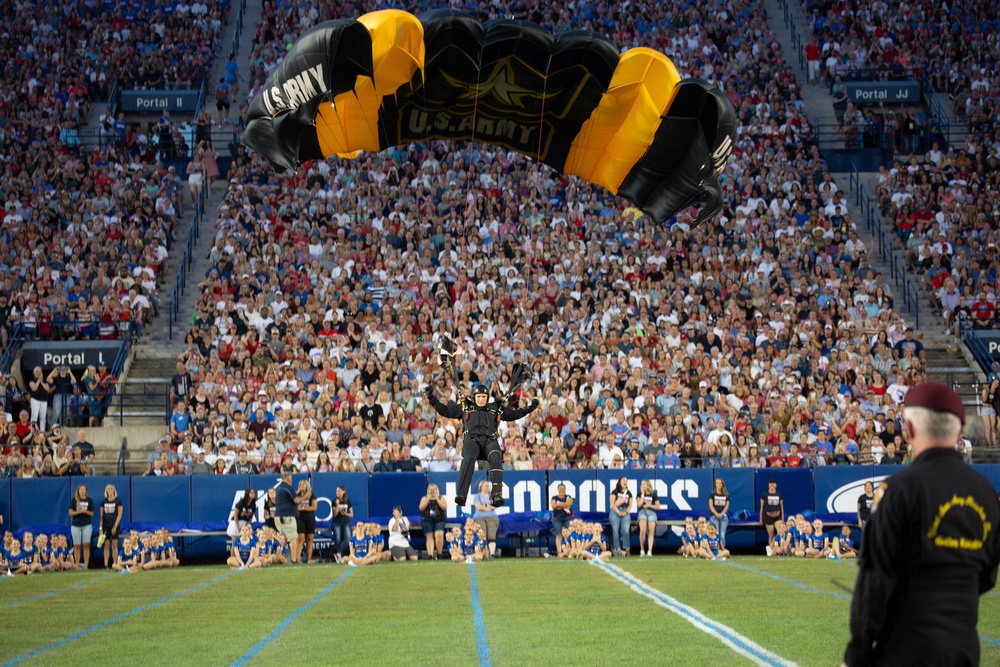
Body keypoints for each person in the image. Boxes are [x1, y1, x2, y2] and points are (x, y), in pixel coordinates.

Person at [843, 382, 1000, 667]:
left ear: (911, 430)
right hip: (964, 649)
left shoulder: (897, 492)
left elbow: (874, 582)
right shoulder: (986, 495)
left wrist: (856, 656)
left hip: (907, 649)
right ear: (959, 431)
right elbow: (987, 576)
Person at [425, 382, 538, 506]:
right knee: (468, 459)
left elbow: (514, 414)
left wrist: (531, 407)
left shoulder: (495, 407)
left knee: (496, 457)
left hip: (490, 440)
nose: (481, 399)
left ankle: (496, 494)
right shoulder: (465, 407)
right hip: (472, 441)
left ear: (487, 398)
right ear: (474, 397)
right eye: (478, 397)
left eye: (483, 397)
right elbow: (445, 411)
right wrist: (431, 398)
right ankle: (462, 494)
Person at [273, 471, 299, 557]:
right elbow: (296, 500)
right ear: (288, 478)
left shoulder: (279, 488)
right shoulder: (287, 487)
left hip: (278, 516)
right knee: (293, 538)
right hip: (287, 516)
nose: (292, 480)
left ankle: (279, 557)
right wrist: (306, 495)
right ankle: (294, 559)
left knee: (283, 538)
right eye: (291, 478)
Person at [68, 483, 94, 569]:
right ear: (78, 491)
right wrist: (80, 511)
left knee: (86, 545)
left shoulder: (89, 500)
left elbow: (91, 513)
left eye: (84, 490)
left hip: (86, 524)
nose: (82, 491)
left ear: (86, 491)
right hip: (76, 525)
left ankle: (86, 565)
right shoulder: (74, 500)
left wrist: (85, 511)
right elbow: (71, 512)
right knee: (77, 545)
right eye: (81, 490)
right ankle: (77, 564)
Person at [418, 483, 447, 559]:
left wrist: (437, 499)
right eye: (431, 489)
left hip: (439, 519)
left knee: (439, 535)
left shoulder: (441, 498)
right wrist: (428, 499)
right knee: (429, 536)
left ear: (437, 490)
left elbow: (444, 507)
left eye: (434, 489)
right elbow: (421, 508)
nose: (432, 491)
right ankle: (430, 555)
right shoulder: (424, 498)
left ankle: (439, 554)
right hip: (427, 519)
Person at [472, 480, 500, 558]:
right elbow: (478, 506)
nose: (487, 487)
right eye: (485, 485)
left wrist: (485, 506)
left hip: (492, 517)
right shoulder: (477, 496)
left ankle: (492, 553)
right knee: (482, 534)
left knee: (491, 535)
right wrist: (487, 507)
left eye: (488, 486)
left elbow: (495, 505)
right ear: (481, 487)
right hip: (479, 518)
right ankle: (482, 553)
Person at [99, 484, 123, 569]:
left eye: (111, 489)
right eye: (108, 489)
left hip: (114, 525)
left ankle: (115, 563)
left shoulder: (118, 501)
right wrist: (101, 528)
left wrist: (115, 526)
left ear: (114, 490)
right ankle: (105, 564)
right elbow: (101, 516)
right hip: (106, 525)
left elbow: (119, 515)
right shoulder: (104, 502)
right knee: (106, 544)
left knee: (114, 544)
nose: (109, 490)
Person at [608, 476, 633, 557]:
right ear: (619, 482)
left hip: (625, 511)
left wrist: (626, 512)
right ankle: (618, 549)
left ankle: (627, 548)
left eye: (626, 480)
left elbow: (630, 505)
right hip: (615, 511)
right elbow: (612, 502)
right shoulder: (615, 491)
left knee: (625, 530)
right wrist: (618, 511)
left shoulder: (629, 493)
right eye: (623, 480)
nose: (625, 481)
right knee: (615, 531)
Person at [294, 480, 317, 564]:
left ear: (307, 485)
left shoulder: (311, 495)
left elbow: (314, 507)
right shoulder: (296, 495)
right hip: (300, 518)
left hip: (310, 518)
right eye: (300, 484)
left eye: (303, 484)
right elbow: (293, 505)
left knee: (309, 538)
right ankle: (297, 559)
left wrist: (303, 508)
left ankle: (309, 559)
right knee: (300, 537)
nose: (301, 485)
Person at [635, 479, 659, 557]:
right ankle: (642, 549)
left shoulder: (653, 494)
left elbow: (658, 506)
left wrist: (650, 505)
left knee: (651, 531)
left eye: (644, 484)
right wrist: (642, 494)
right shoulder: (639, 494)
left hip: (651, 512)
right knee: (642, 530)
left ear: (648, 485)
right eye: (641, 484)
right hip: (642, 511)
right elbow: (639, 504)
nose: (642, 486)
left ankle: (650, 550)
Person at [760, 479, 784, 555]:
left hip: (777, 515)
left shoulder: (779, 494)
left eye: (774, 484)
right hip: (767, 515)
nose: (772, 485)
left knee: (780, 531)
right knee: (771, 533)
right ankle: (770, 548)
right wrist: (761, 518)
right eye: (770, 484)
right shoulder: (765, 494)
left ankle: (778, 548)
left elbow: (781, 506)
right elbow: (762, 507)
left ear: (776, 485)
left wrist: (782, 517)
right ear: (768, 485)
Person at [550, 483, 574, 557]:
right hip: (557, 518)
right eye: (560, 488)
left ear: (565, 489)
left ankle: (570, 551)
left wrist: (559, 504)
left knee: (569, 534)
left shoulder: (568, 496)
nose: (561, 490)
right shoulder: (554, 497)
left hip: (568, 517)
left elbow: (568, 504)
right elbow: (553, 506)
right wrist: (563, 504)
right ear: (558, 489)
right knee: (559, 535)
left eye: (563, 488)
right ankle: (559, 552)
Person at [331, 485, 353, 563]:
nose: (337, 492)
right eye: (336, 491)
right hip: (336, 522)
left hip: (346, 521)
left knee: (347, 537)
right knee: (338, 539)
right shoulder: (334, 501)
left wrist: (345, 514)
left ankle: (338, 554)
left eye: (339, 491)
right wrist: (337, 505)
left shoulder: (348, 501)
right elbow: (335, 514)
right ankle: (339, 558)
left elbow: (351, 514)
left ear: (343, 492)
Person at [709, 477, 731, 549]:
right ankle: (716, 549)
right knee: (716, 533)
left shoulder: (726, 495)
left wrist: (721, 514)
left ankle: (722, 549)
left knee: (722, 534)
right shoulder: (712, 494)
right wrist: (716, 514)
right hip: (714, 516)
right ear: (715, 485)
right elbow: (711, 506)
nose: (718, 484)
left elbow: (727, 506)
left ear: (722, 484)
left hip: (723, 517)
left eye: (720, 483)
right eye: (717, 483)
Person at [981, 377, 999, 448]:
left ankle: (994, 444)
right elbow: (984, 400)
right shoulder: (986, 390)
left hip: (992, 409)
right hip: (985, 408)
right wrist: (987, 393)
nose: (996, 384)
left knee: (992, 428)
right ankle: (988, 443)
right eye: (995, 383)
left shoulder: (996, 393)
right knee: (987, 427)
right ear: (992, 383)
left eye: (997, 383)